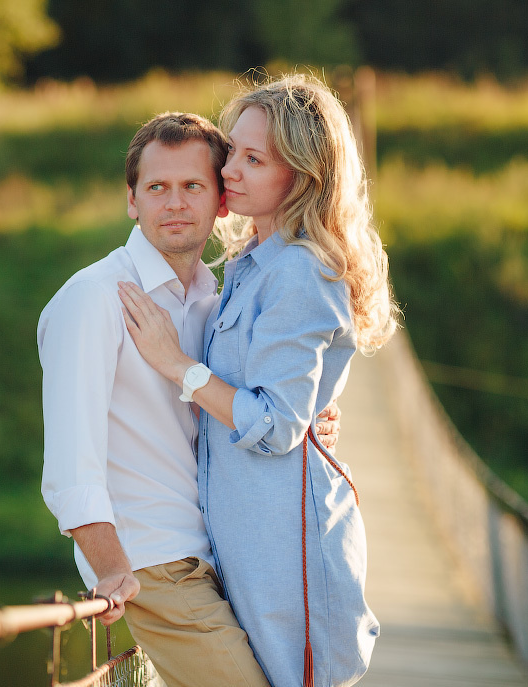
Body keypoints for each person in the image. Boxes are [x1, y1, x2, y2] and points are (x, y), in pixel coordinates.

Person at [38, 111, 340, 687]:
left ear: (221, 200)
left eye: (191, 186)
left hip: (226, 560)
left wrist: (309, 426)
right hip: (151, 562)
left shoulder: (215, 299)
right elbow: (68, 464)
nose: (174, 203)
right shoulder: (95, 298)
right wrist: (113, 570)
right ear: (132, 200)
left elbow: (258, 408)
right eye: (157, 188)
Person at [118, 73, 399, 687]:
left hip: (287, 553)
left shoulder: (298, 271)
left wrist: (177, 365)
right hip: (246, 542)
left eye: (251, 158)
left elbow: (275, 422)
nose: (228, 171)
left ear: (299, 175)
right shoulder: (250, 263)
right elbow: (283, 404)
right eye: (231, 152)